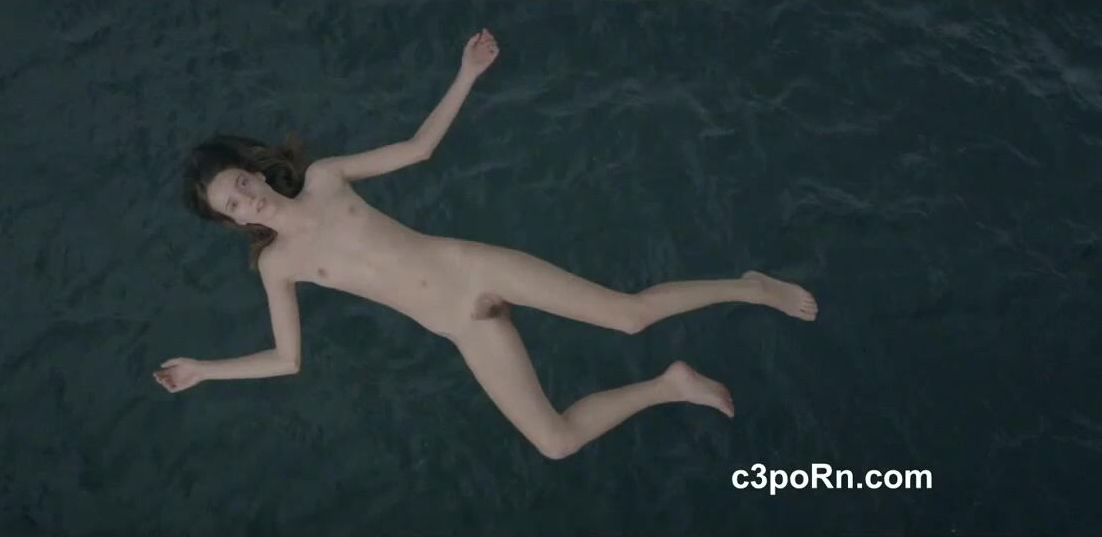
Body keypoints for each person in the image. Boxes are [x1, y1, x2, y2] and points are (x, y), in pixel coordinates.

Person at [156, 29, 819, 460]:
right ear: (231, 221)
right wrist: (205, 369)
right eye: (232, 205)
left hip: (474, 271)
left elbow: (419, 148)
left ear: (251, 169)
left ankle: (751, 286)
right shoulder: (277, 265)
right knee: (555, 441)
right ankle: (670, 384)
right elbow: (287, 358)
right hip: (462, 326)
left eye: (240, 184)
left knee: (630, 314)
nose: (246, 199)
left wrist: (466, 73)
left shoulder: (326, 180)